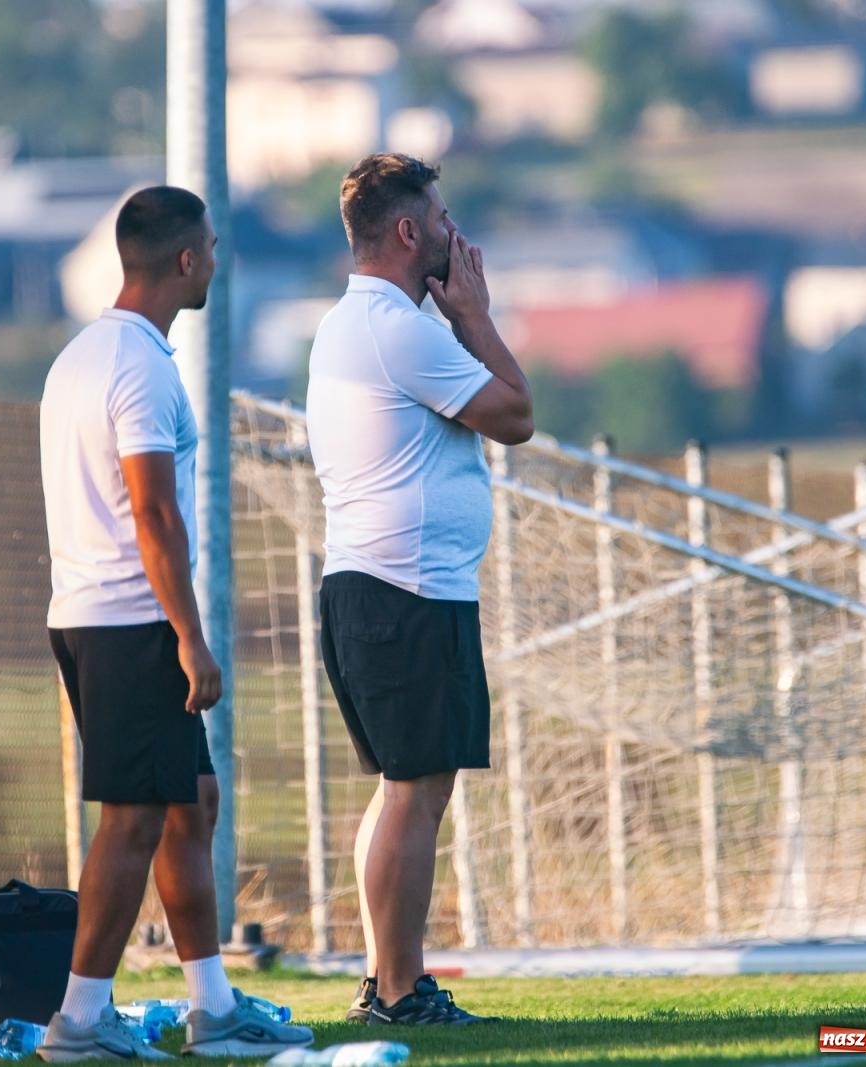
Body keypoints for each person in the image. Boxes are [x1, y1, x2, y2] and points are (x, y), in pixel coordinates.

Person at [36, 186, 311, 1061]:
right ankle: (78, 1024)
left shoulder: (83, 353)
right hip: (130, 620)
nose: (217, 263)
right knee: (132, 820)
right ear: (186, 261)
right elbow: (153, 513)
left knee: (192, 804)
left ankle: (213, 1008)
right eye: (212, 250)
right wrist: (190, 636)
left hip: (94, 616)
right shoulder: (142, 366)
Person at [305, 153, 532, 1026]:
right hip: (398, 593)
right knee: (412, 788)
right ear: (408, 232)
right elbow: (516, 414)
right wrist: (475, 313)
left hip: (397, 590)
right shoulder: (398, 328)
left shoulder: (364, 322)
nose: (452, 232)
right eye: (440, 217)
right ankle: (399, 991)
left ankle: (385, 980)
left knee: (411, 787)